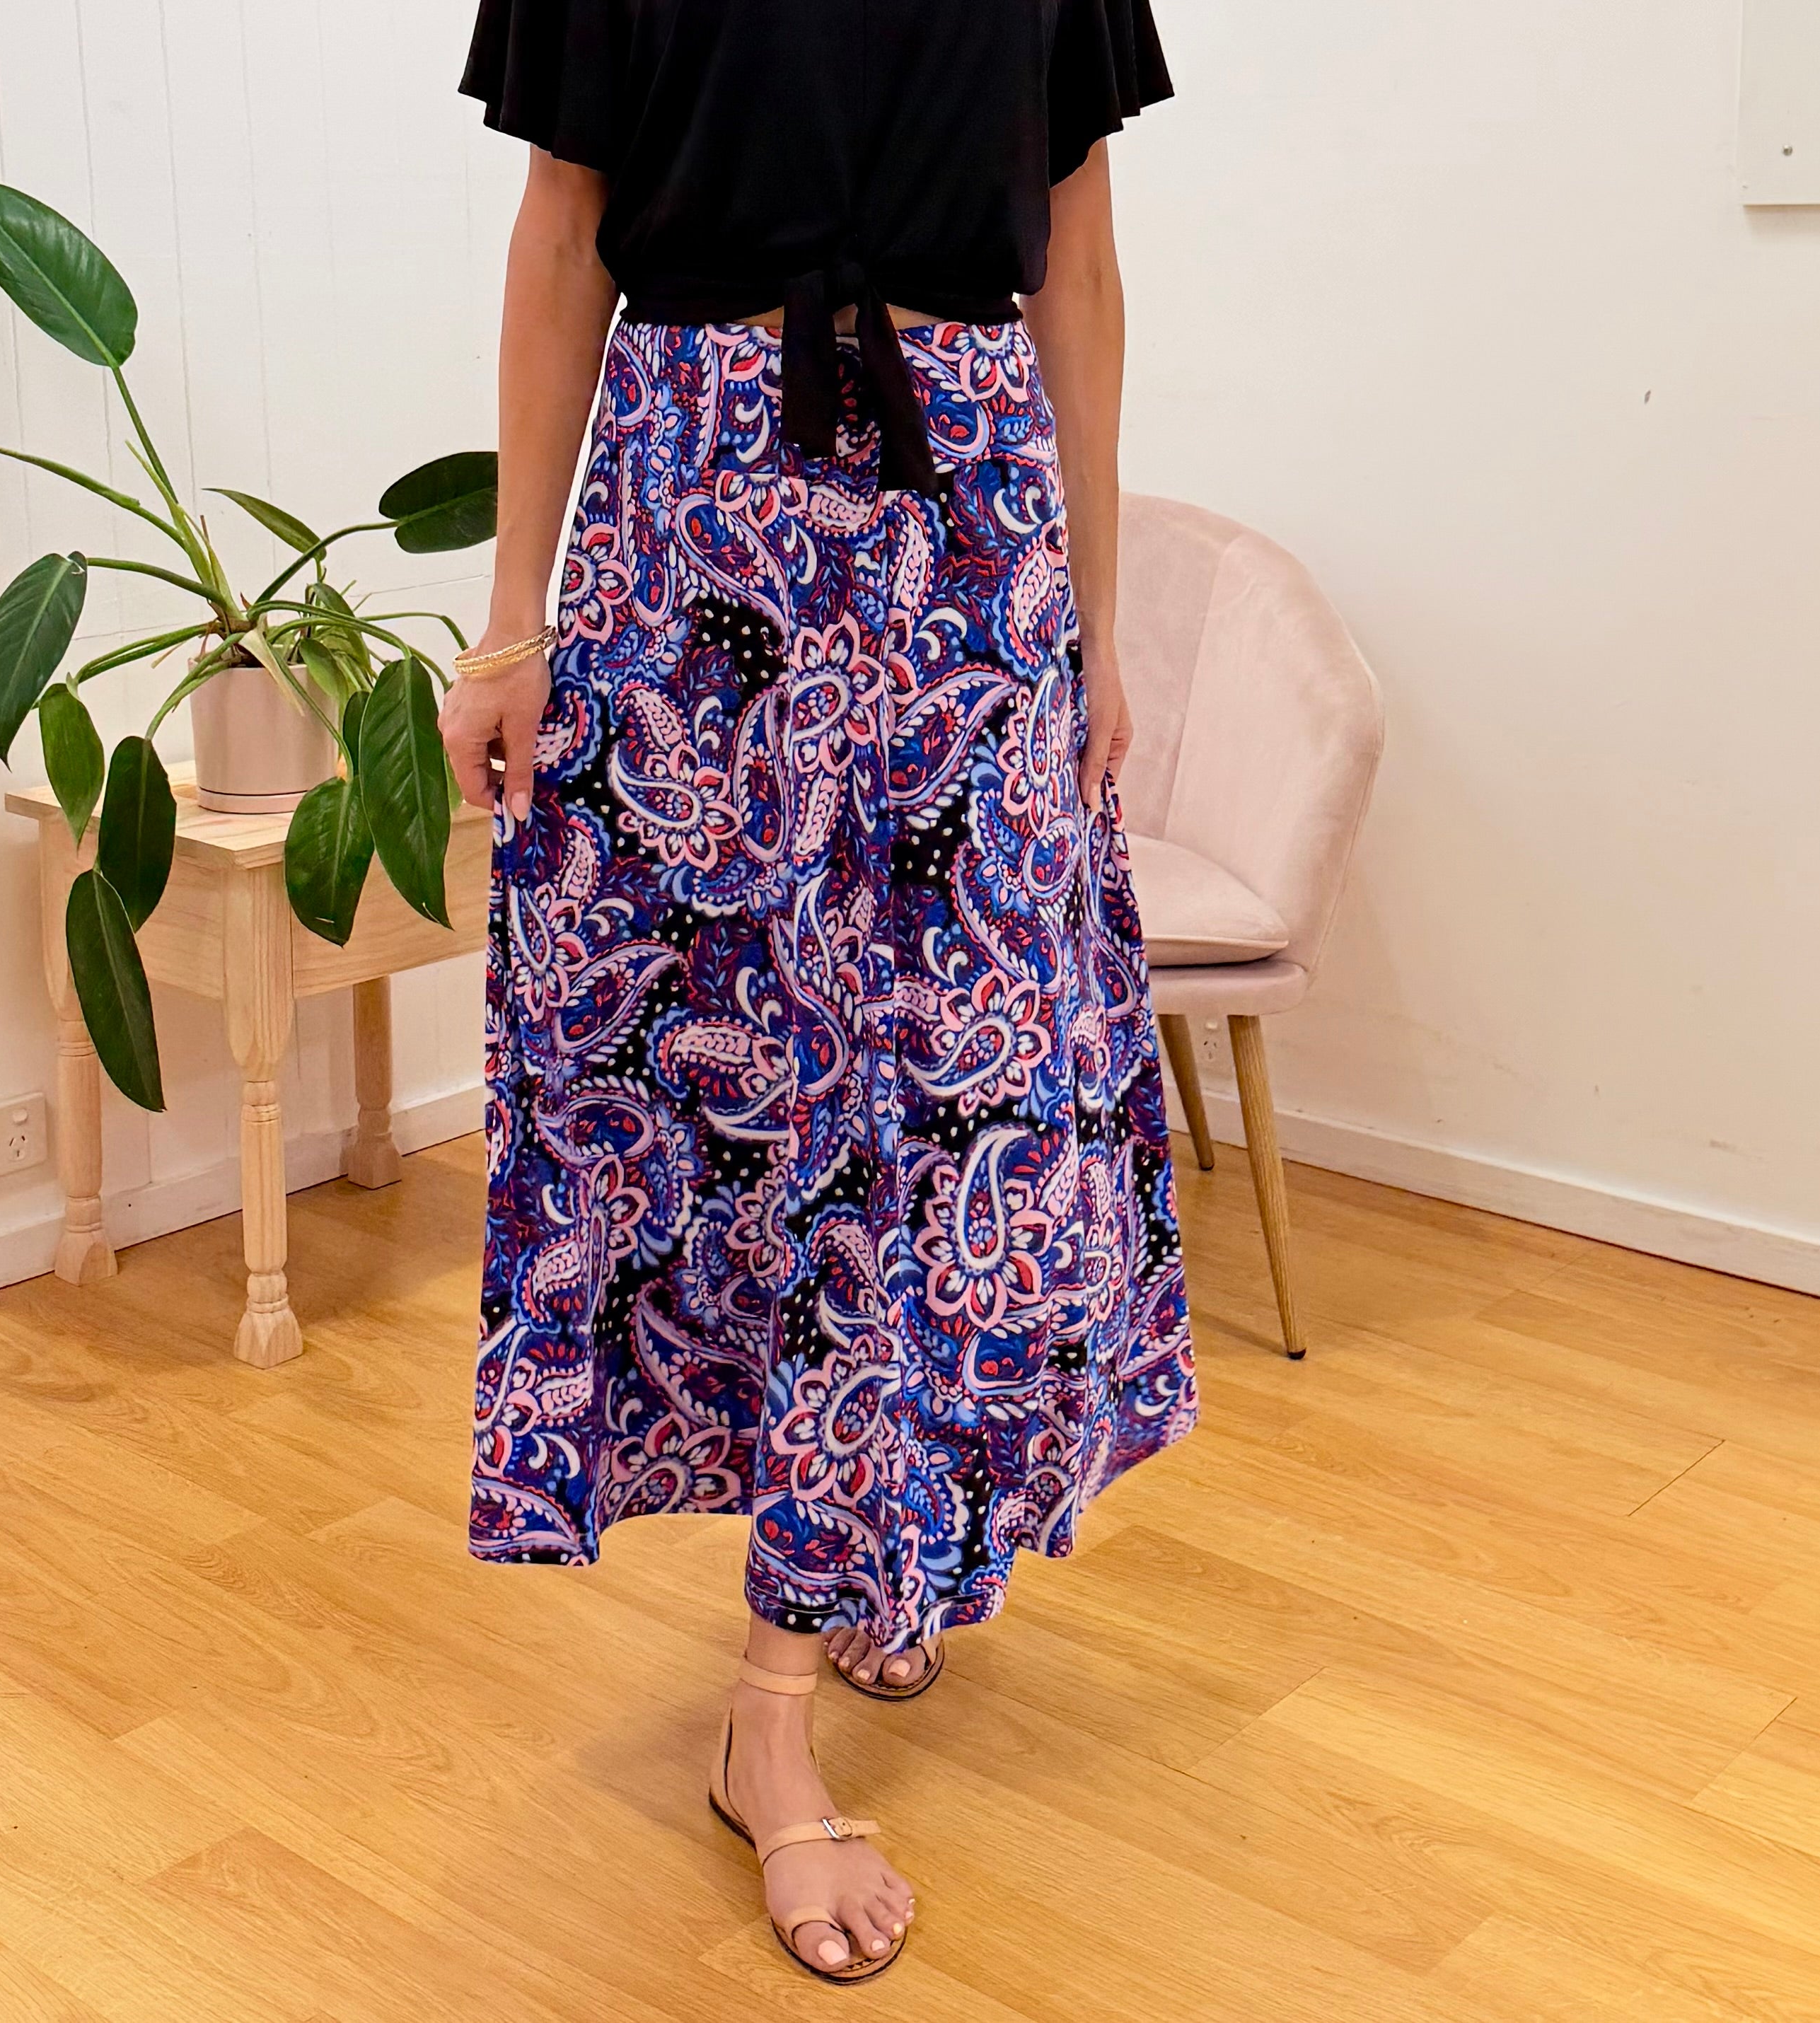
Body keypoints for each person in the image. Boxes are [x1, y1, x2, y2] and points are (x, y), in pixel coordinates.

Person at [444, 0, 1197, 1983]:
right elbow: (561, 241)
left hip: (971, 535)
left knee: (963, 1090)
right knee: (756, 1099)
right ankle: (766, 1718)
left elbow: (1081, 259)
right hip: (699, 536)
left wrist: (1098, 630)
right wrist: (510, 616)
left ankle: (855, 1540)